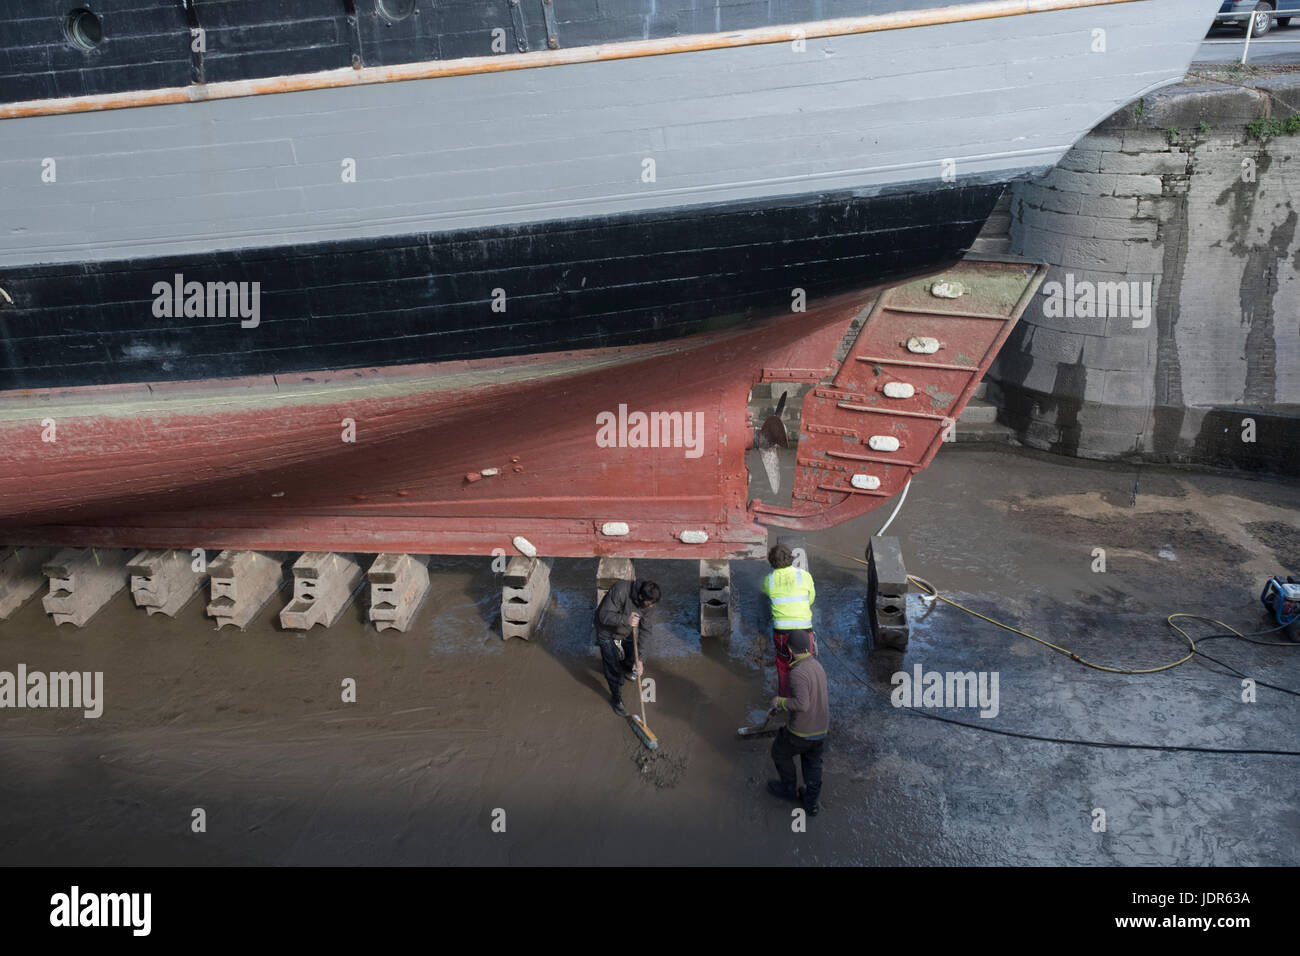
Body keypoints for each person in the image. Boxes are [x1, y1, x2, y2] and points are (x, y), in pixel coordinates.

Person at [767, 630, 828, 815]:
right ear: (809, 648)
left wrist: (780, 702)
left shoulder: (797, 672)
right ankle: (811, 803)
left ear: (791, 651)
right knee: (812, 763)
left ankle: (788, 790)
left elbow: (802, 704)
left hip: (802, 733)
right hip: (821, 731)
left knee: (779, 752)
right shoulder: (818, 667)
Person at [593, 579, 661, 716]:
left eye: (653, 604)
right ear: (641, 597)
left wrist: (640, 659)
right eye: (649, 604)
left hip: (627, 631)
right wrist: (626, 620)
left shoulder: (649, 604)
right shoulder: (620, 590)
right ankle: (616, 698)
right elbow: (603, 615)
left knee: (633, 659)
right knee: (612, 667)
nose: (651, 607)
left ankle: (626, 667)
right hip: (607, 632)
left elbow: (646, 631)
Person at [760, 543, 816, 697]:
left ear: (772, 562)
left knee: (783, 664)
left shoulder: (768, 580)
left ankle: (784, 699)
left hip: (782, 633)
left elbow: (766, 593)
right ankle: (807, 696)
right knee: (806, 665)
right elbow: (810, 599)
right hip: (804, 631)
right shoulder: (805, 576)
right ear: (791, 558)